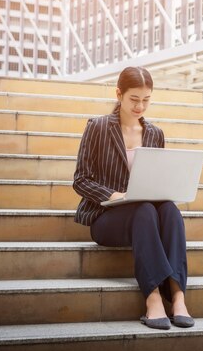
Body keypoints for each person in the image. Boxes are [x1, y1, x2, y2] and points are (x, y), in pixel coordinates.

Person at [73, 66, 193, 330]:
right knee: (144, 210)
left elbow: (157, 181)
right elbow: (81, 179)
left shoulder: (155, 134)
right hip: (106, 218)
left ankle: (177, 295)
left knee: (170, 210)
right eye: (134, 99)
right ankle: (152, 298)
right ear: (119, 94)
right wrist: (115, 195)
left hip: (145, 215)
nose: (140, 106)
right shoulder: (98, 127)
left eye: (146, 100)